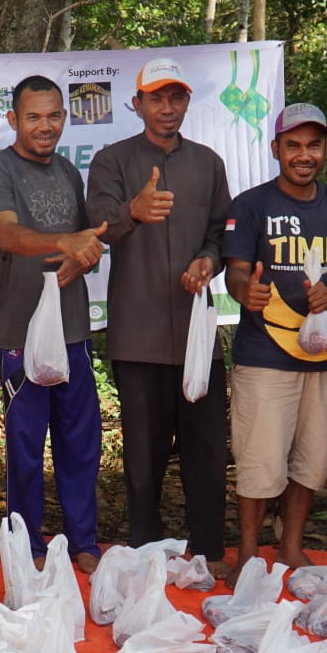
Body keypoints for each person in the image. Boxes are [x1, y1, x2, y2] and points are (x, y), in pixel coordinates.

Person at [86, 57, 233, 575]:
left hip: (196, 333)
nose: (167, 108)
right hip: (138, 333)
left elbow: (222, 231)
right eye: (156, 98)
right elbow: (98, 225)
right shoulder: (112, 160)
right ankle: (146, 556)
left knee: (208, 450)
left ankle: (209, 552)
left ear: (187, 102)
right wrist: (133, 211)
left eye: (176, 98)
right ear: (137, 103)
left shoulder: (209, 164)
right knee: (143, 457)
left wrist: (208, 260)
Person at [222, 103, 327, 586]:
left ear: (324, 150)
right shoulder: (251, 205)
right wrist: (247, 291)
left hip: (322, 358)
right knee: (259, 459)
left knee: (312, 460)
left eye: (313, 145)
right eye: (293, 146)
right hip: (265, 356)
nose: (303, 155)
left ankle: (290, 547)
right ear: (276, 150)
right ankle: (247, 553)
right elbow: (236, 270)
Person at [0, 74, 107, 573]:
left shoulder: (71, 173)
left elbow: (87, 239)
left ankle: (84, 542)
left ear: (65, 119)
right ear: (13, 120)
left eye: (54, 116)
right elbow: (9, 236)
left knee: (80, 445)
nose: (45, 126)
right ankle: (26, 546)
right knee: (26, 451)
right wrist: (65, 243)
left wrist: (83, 252)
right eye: (33, 116)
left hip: (73, 331)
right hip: (21, 336)